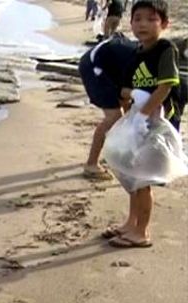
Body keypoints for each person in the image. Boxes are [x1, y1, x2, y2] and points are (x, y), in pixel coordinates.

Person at [104, 0, 181, 248]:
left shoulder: (165, 49)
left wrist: (143, 116)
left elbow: (166, 86)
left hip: (156, 126)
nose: (143, 24)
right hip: (137, 122)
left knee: (144, 180)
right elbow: (127, 89)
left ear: (165, 24)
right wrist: (130, 109)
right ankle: (131, 223)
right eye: (137, 19)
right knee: (132, 175)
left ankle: (142, 232)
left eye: (151, 19)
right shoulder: (137, 53)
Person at [78, 33, 138, 179]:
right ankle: (91, 165)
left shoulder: (145, 58)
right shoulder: (142, 64)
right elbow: (127, 92)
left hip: (109, 65)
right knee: (114, 117)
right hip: (94, 67)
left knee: (128, 111)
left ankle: (117, 152)